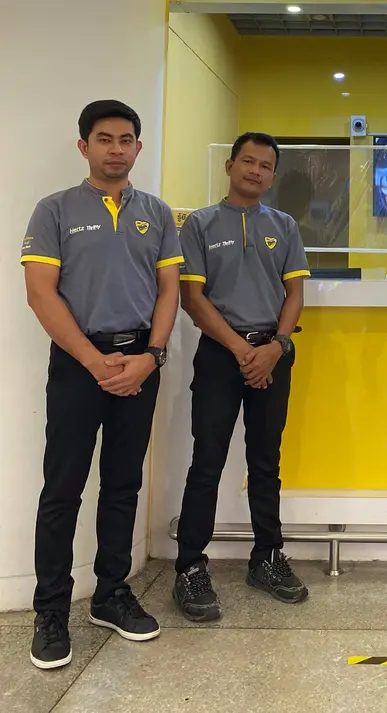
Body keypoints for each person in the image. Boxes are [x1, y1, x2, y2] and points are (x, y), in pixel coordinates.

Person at [22, 100, 182, 669]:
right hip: (77, 363)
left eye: (126, 139)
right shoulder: (54, 210)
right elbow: (41, 292)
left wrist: (151, 357)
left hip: (140, 361)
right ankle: (51, 612)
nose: (116, 148)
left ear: (138, 147)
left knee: (121, 484)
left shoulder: (157, 213)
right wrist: (94, 362)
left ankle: (111, 594)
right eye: (105, 138)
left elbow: (169, 290)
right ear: (84, 146)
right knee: (62, 488)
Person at [173, 132, 310, 621]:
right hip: (220, 355)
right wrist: (240, 350)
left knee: (266, 461)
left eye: (265, 165)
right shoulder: (200, 224)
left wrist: (276, 347)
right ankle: (190, 566)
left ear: (272, 176)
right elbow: (192, 298)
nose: (255, 171)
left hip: (273, 353)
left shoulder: (285, 226)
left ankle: (267, 558)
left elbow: (295, 294)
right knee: (207, 461)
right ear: (229, 166)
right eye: (247, 161)